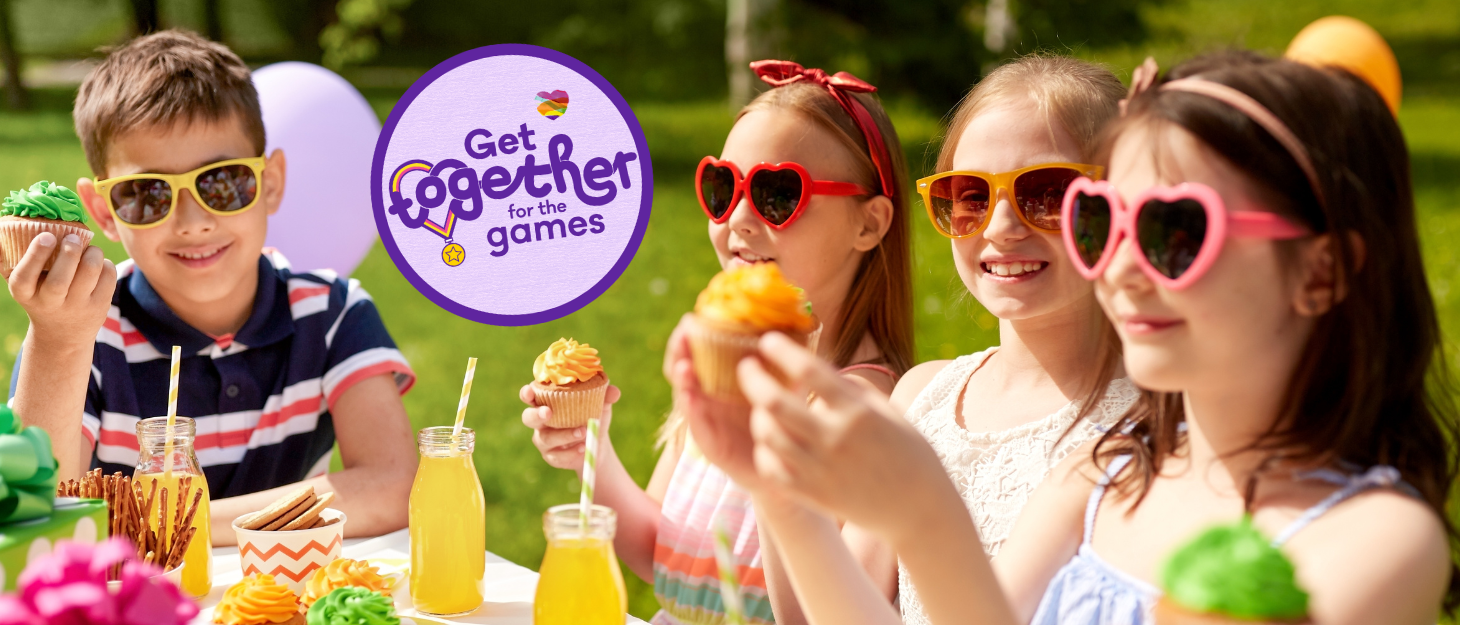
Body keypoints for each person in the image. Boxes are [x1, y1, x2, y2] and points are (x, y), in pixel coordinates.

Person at [688, 51, 1459, 625]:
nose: (1117, 264)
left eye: (1172, 229)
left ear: (1322, 273)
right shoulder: (1108, 472)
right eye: (1105, 220)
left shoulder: (1383, 542)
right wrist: (774, 489)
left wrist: (926, 515)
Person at [520, 60, 914, 625]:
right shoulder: (723, 367)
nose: (741, 219)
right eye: (723, 187)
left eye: (779, 194)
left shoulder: (863, 413)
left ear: (870, 225)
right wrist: (594, 453)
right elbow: (669, 559)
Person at [6, 30, 418, 545]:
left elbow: (392, 486)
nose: (193, 221)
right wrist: (60, 341)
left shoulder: (332, 313)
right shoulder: (82, 331)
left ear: (269, 184)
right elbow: (40, 509)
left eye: (222, 181)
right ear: (103, 211)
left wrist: (173, 524)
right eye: (146, 194)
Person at [884, 56, 1132, 624]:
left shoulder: (1151, 424)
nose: (1000, 226)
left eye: (1046, 194)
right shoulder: (921, 399)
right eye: (970, 195)